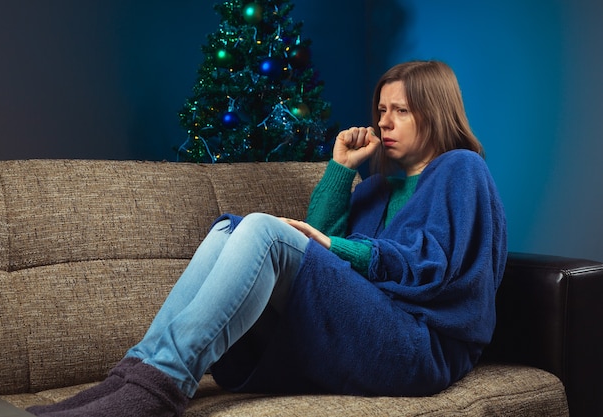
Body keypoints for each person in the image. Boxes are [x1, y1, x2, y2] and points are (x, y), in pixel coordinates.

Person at [27, 60, 507, 417]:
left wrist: (335, 248)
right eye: (381, 109)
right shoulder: (381, 183)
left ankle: (156, 390)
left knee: (263, 229)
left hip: (420, 346)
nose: (383, 121)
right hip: (373, 327)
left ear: (435, 113)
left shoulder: (461, 169)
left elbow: (432, 267)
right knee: (227, 229)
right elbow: (329, 241)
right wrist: (341, 169)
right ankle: (133, 375)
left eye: (400, 111)